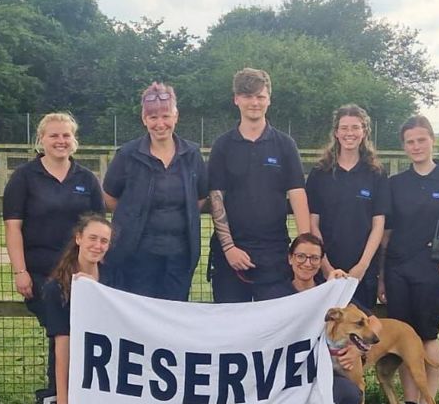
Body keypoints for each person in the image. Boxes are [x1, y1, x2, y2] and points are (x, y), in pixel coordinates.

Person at [2, 112, 104, 404]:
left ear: (75, 141)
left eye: (66, 136)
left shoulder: (86, 179)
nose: (61, 141)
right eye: (54, 136)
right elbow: (13, 227)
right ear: (41, 140)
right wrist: (20, 271)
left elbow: (97, 229)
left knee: (72, 335)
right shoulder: (24, 177)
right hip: (40, 272)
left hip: (79, 275)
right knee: (62, 332)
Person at [378, 115, 439, 404]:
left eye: (421, 139)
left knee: (427, 335)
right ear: (404, 147)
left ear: (432, 140)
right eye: (410, 142)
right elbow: (386, 234)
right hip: (398, 271)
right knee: (404, 337)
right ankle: (410, 402)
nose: (416, 146)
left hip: (431, 272)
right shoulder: (395, 184)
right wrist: (381, 275)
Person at [208, 67, 311, 302]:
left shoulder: (285, 145)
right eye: (247, 96)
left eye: (260, 96)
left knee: (275, 332)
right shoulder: (223, 145)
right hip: (231, 258)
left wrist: (305, 250)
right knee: (231, 332)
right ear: (236, 99)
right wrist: (229, 249)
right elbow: (216, 200)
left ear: (269, 100)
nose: (254, 102)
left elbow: (297, 196)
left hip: (275, 255)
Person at [103, 83, 208, 301]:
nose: (160, 124)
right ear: (144, 120)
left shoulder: (192, 154)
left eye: (166, 116)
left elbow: (200, 198)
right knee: (139, 315)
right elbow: (111, 197)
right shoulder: (128, 155)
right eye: (153, 118)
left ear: (176, 116)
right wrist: (133, 216)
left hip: (180, 255)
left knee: (174, 315)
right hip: (136, 255)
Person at [263, 233, 363, 404]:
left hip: (319, 380)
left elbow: (373, 324)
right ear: (290, 259)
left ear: (321, 262)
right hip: (283, 384)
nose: (307, 263)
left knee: (351, 393)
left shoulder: (332, 293)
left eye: (314, 258)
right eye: (301, 256)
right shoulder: (275, 294)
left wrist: (357, 348)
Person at [41, 214, 118, 404]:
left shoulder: (112, 280)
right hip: (75, 381)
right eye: (92, 238)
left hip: (108, 379)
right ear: (78, 239)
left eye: (104, 241)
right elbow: (62, 349)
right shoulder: (56, 288)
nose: (98, 245)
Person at [306, 104, 389, 308]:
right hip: (325, 269)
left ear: (364, 132)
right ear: (336, 132)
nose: (349, 133)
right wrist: (325, 267)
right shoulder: (320, 173)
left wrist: (362, 266)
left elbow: (378, 225)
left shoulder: (376, 173)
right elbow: (312, 223)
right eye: (344, 128)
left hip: (362, 274)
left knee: (358, 334)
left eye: (355, 127)